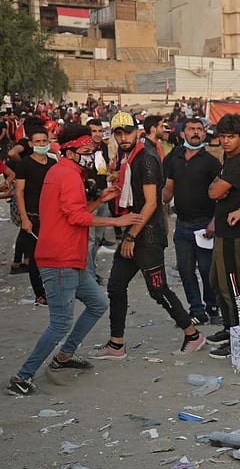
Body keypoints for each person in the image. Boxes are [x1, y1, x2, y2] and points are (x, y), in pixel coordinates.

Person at [7, 125, 143, 396]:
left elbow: (72, 211)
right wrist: (117, 220)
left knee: (97, 303)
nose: (90, 155)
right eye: (85, 150)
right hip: (59, 258)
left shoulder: (63, 172)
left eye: (91, 150)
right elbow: (76, 217)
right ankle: (22, 377)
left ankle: (65, 356)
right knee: (60, 322)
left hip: (71, 257)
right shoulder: (67, 175)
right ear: (69, 151)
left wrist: (100, 199)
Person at [92, 112, 206, 359]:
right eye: (118, 133)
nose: (123, 138)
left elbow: (152, 203)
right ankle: (116, 343)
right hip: (135, 231)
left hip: (147, 236)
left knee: (158, 289)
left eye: (127, 132)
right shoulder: (127, 158)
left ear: (138, 132)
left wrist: (131, 236)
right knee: (115, 286)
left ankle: (193, 334)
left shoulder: (145, 159)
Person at [206, 113, 240, 359]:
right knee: (217, 280)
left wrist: (219, 189)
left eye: (231, 137)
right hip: (224, 229)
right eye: (223, 136)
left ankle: (239, 336)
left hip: (235, 232)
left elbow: (214, 192)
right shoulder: (229, 158)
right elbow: (215, 190)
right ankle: (229, 328)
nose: (226, 141)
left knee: (232, 285)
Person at [163, 118, 221, 325]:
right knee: (186, 270)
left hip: (205, 225)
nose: (195, 132)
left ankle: (212, 307)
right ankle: (197, 310)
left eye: (199, 129)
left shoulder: (212, 163)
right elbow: (168, 190)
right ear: (182, 134)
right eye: (191, 129)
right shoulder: (174, 159)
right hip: (182, 226)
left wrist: (214, 222)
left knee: (207, 270)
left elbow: (222, 197)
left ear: (204, 134)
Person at [15, 124, 56, 305]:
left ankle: (52, 289)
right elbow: (19, 192)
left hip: (52, 217)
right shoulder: (24, 164)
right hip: (33, 217)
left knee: (52, 255)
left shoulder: (53, 163)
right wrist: (24, 219)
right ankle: (40, 293)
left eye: (44, 141)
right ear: (30, 144)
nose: (41, 144)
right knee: (35, 257)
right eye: (37, 141)